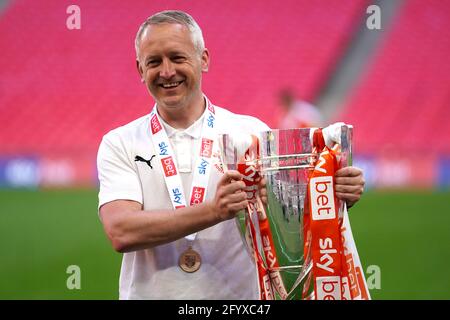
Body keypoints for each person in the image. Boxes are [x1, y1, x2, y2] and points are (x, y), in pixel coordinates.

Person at [96, 10, 365, 300]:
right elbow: (121, 231)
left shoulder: (249, 133)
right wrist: (214, 211)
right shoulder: (120, 142)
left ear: (204, 60)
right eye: (154, 62)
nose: (166, 71)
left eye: (177, 57)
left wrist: (330, 193)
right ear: (140, 71)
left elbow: (287, 221)